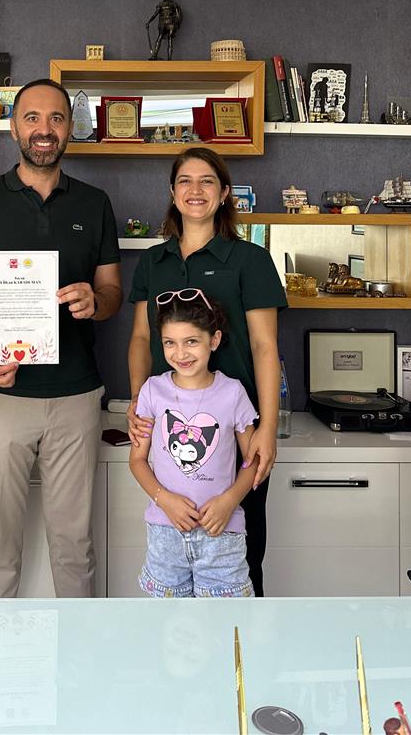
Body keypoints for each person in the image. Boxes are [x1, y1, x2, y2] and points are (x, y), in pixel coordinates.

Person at [0, 78, 123, 598]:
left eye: (55, 119)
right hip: (0, 396)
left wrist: (96, 302)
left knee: (75, 545)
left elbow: (112, 290)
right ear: (13, 128)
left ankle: (79, 644)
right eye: (32, 118)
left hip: (77, 397)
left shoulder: (94, 203)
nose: (44, 129)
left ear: (70, 128)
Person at [127, 147, 286, 596]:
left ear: (225, 193)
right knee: (172, 563)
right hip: (169, 431)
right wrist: (138, 402)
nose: (195, 190)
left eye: (207, 181)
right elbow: (139, 338)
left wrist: (267, 428)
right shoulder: (152, 262)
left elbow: (265, 346)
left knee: (242, 558)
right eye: (185, 181)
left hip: (238, 431)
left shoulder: (250, 260)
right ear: (172, 193)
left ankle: (241, 641)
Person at [130, 289, 257, 598]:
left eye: (191, 342)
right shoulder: (152, 391)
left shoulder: (233, 393)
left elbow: (253, 459)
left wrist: (229, 501)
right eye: (169, 343)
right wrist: (164, 499)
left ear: (213, 340)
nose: (180, 353)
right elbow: (137, 460)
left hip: (221, 534)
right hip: (165, 534)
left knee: (225, 622)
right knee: (169, 624)